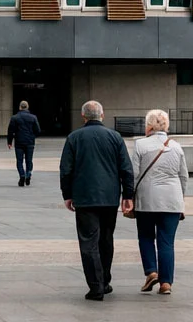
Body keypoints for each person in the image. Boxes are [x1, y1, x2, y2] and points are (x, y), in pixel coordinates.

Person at [59, 100, 135, 301]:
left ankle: (96, 286)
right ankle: (105, 281)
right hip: (109, 197)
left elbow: (66, 170)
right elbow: (126, 169)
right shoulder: (115, 137)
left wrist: (67, 194)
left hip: (85, 197)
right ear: (102, 115)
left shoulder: (74, 137)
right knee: (106, 239)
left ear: (83, 117)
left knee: (88, 242)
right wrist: (128, 195)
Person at [132, 109, 189, 296]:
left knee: (146, 236)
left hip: (147, 199)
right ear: (166, 126)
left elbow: (134, 175)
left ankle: (151, 271)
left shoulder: (140, 145)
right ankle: (166, 284)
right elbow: (183, 176)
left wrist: (128, 198)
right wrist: (180, 199)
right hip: (172, 200)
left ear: (149, 126)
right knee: (167, 242)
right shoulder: (177, 146)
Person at [6, 100, 42, 187]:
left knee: (19, 160)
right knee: (29, 160)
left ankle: (22, 175)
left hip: (19, 142)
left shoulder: (15, 118)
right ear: (27, 107)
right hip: (30, 142)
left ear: (20, 107)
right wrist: (32, 136)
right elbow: (38, 130)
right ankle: (28, 174)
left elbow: (10, 131)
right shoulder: (33, 117)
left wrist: (9, 142)